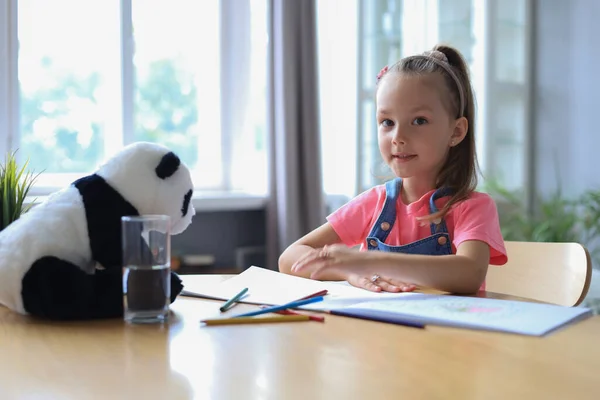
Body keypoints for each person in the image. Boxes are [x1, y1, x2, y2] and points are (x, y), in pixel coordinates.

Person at [279, 44, 508, 295]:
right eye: (387, 122)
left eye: (419, 121)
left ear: (456, 131)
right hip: (379, 330)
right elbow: (290, 258)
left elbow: (469, 274)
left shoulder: (473, 207)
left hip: (447, 333)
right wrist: (351, 271)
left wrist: (371, 261)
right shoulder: (374, 204)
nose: (398, 137)